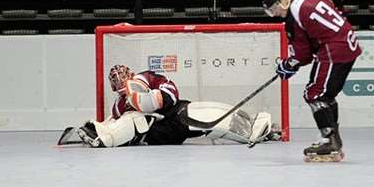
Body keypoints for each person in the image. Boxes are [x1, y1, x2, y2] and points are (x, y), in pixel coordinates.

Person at [262, 0, 362, 162]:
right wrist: (340, 10)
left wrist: (287, 66)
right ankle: (333, 138)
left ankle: (329, 139)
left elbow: (302, 55)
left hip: (335, 48)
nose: (274, 13)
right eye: (270, 11)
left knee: (315, 94)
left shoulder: (292, 19)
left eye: (273, 7)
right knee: (326, 95)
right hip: (348, 43)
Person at [77, 65, 277, 147]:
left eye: (123, 75)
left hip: (175, 115)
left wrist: (157, 98)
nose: (121, 80)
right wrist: (103, 126)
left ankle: (256, 127)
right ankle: (103, 137)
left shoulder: (145, 78)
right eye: (116, 79)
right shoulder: (118, 106)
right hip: (157, 133)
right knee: (135, 119)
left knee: (212, 114)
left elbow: (170, 91)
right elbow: (119, 121)